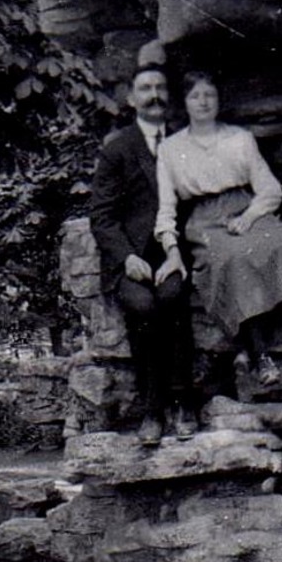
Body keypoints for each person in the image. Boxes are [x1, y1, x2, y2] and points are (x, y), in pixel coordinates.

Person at [154, 71, 282, 387]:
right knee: (233, 258)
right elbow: (166, 208)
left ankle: (252, 342)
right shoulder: (171, 149)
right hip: (205, 219)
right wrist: (171, 251)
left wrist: (250, 216)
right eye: (195, 96)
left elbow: (270, 188)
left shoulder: (240, 138)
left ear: (218, 100)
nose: (203, 102)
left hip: (245, 208)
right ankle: (258, 354)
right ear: (185, 103)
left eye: (209, 95)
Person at [88, 64, 196, 445]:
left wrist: (177, 254)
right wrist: (126, 258)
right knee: (143, 307)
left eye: (161, 87)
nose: (154, 95)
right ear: (131, 99)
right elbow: (101, 216)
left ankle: (183, 402)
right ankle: (152, 408)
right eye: (145, 88)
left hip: (172, 255)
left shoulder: (186, 143)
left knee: (172, 298)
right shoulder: (118, 148)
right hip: (130, 260)